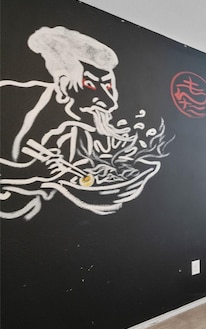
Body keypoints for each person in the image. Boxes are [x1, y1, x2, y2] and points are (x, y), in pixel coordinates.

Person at [0, 26, 165, 220]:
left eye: (108, 86)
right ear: (62, 85)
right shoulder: (7, 96)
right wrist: (30, 173)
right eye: (90, 84)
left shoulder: (75, 136)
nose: (109, 102)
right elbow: (36, 175)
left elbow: (69, 180)